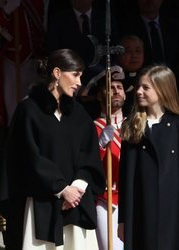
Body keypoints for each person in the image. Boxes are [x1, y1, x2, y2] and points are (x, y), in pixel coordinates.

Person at [5, 48, 106, 250]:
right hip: (41, 204)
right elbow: (28, 156)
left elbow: (89, 155)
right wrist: (61, 189)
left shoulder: (79, 114)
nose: (79, 83)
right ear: (57, 73)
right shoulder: (29, 110)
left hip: (76, 206)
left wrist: (75, 189)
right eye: (75, 75)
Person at [118, 65, 179, 250]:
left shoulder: (176, 127)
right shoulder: (133, 126)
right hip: (140, 211)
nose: (138, 92)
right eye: (138, 87)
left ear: (162, 89)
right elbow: (125, 178)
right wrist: (123, 220)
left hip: (172, 212)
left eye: (146, 88)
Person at [89, 66, 125, 250]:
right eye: (110, 87)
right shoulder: (91, 127)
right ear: (99, 95)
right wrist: (101, 144)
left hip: (131, 197)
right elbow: (87, 163)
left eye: (119, 87)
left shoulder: (134, 124)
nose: (116, 90)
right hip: (106, 198)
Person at [117, 35, 144, 115]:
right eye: (128, 51)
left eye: (138, 51)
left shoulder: (149, 78)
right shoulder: (113, 79)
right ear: (118, 55)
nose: (134, 56)